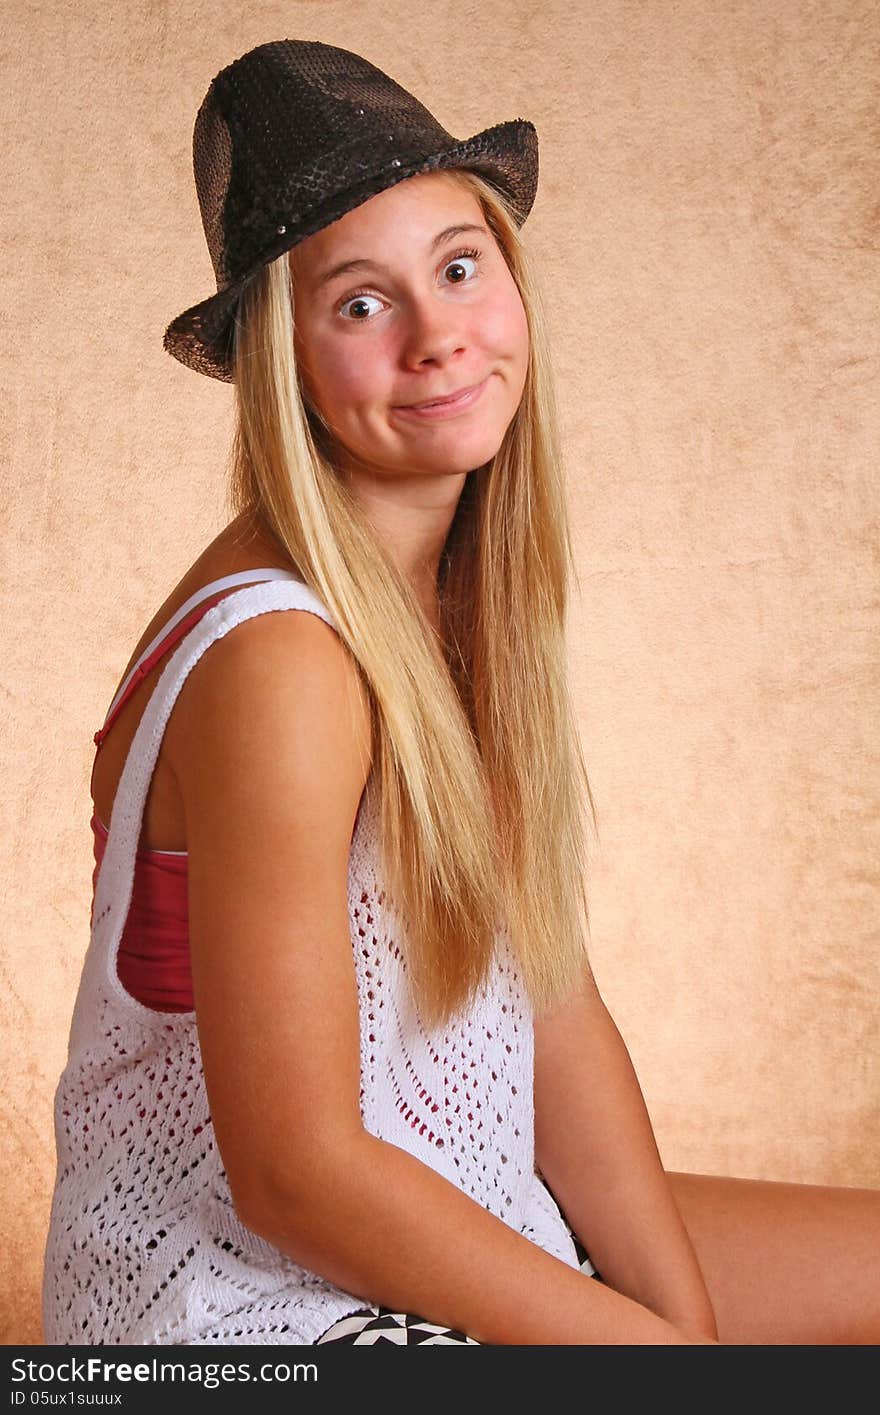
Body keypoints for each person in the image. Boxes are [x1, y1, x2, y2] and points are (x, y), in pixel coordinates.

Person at [41, 38, 879, 1347]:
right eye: (360, 303)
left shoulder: (447, 602)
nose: (439, 336)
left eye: (458, 266)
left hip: (456, 1202)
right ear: (283, 358)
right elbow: (296, 1176)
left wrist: (684, 1333)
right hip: (251, 1306)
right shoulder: (283, 662)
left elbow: (552, 1002)